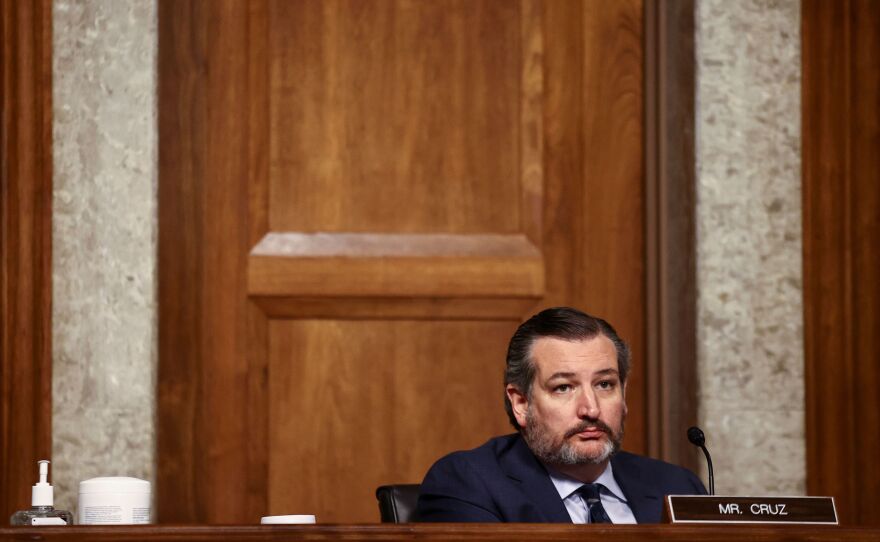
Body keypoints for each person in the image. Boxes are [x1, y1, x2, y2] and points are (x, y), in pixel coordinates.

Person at [415, 307, 706, 523]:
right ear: (521, 403)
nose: (591, 409)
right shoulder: (470, 484)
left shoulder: (677, 486)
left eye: (605, 385)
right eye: (563, 387)